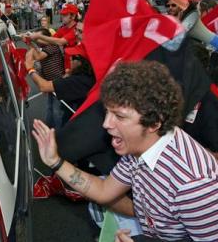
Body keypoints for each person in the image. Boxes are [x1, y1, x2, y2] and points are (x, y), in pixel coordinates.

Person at [32, 60, 218, 241]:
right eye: (107, 112)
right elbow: (104, 190)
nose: (106, 124)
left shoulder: (193, 184)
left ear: (154, 122)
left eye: (119, 116)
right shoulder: (141, 146)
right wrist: (55, 161)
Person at [26, 43, 95, 125]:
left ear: (82, 62)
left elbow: (44, 86)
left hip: (74, 121)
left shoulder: (78, 80)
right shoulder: (87, 75)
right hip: (79, 116)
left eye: (73, 58)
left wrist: (30, 69)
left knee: (56, 113)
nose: (70, 60)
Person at [25, 28, 65, 128]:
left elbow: (37, 56)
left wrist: (30, 42)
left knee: (56, 111)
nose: (37, 40)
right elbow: (36, 55)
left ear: (46, 38)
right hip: (50, 83)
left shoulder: (52, 46)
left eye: (39, 38)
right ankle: (50, 129)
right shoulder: (44, 47)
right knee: (50, 108)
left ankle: (59, 134)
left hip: (57, 82)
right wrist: (30, 42)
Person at [29, 4, 79, 72]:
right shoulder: (63, 29)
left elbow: (60, 41)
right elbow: (49, 41)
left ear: (73, 16)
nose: (62, 17)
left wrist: (38, 36)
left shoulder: (77, 29)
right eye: (62, 14)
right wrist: (31, 39)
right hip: (67, 65)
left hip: (78, 65)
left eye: (65, 15)